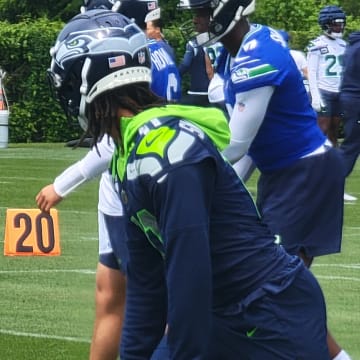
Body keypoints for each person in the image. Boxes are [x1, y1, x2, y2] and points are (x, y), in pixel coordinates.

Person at [49, 8, 334, 359]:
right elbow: (147, 287)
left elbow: (190, 279)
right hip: (230, 309)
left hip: (268, 313)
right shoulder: (129, 154)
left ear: (86, 80)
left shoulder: (166, 153)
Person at [177, 1, 351, 359]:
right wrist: (219, 188)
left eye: (202, 11)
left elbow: (238, 144)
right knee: (277, 288)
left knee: (276, 286)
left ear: (226, 12)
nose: (195, 20)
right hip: (284, 173)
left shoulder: (257, 57)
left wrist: (184, 173)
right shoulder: (238, 49)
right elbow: (250, 147)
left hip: (305, 172)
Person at [306, 5, 347, 147]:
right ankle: (314, 158)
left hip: (339, 92)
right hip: (324, 91)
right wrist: (315, 96)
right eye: (336, 24)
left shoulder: (343, 44)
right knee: (321, 128)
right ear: (326, 24)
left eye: (341, 24)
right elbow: (311, 72)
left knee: (335, 129)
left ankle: (332, 160)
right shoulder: (316, 45)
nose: (340, 27)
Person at [338, 31, 360, 191]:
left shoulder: (352, 47)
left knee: (352, 143)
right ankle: (332, 181)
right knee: (352, 144)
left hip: (350, 98)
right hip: (355, 98)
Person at [178, 14, 213, 106]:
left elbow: (185, 64)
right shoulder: (220, 40)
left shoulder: (193, 44)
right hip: (215, 92)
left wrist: (175, 74)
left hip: (197, 92)